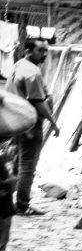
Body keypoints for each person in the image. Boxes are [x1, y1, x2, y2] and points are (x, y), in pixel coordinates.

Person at [9, 38, 59, 215]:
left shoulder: (18, 65)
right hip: (30, 122)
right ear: (28, 51)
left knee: (17, 164)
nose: (44, 54)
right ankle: (22, 205)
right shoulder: (32, 73)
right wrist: (53, 122)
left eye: (46, 50)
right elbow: (38, 102)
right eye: (40, 50)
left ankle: (10, 202)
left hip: (15, 121)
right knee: (28, 167)